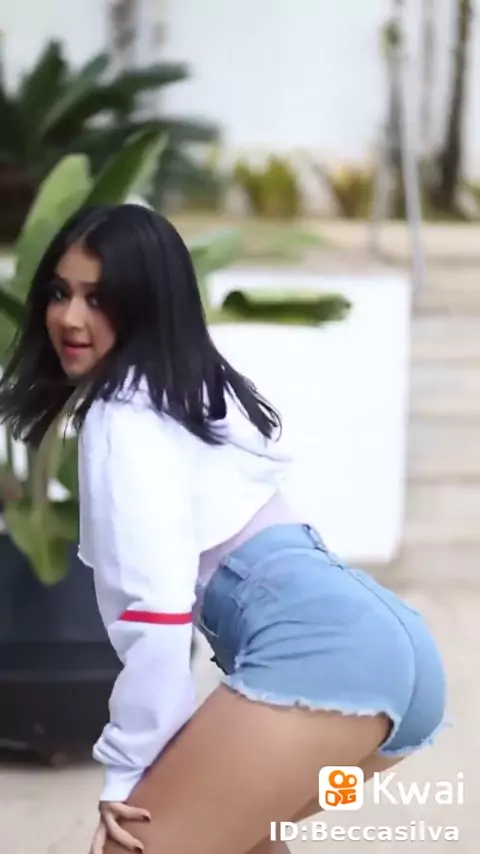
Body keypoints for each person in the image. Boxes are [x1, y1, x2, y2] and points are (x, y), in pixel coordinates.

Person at [0, 204, 447, 854]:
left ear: (147, 304)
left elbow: (155, 616)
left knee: (132, 845)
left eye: (99, 298)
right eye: (59, 292)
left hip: (326, 663)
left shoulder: (124, 420)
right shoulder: (193, 391)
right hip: (395, 660)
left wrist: (128, 767)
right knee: (245, 843)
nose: (69, 317)